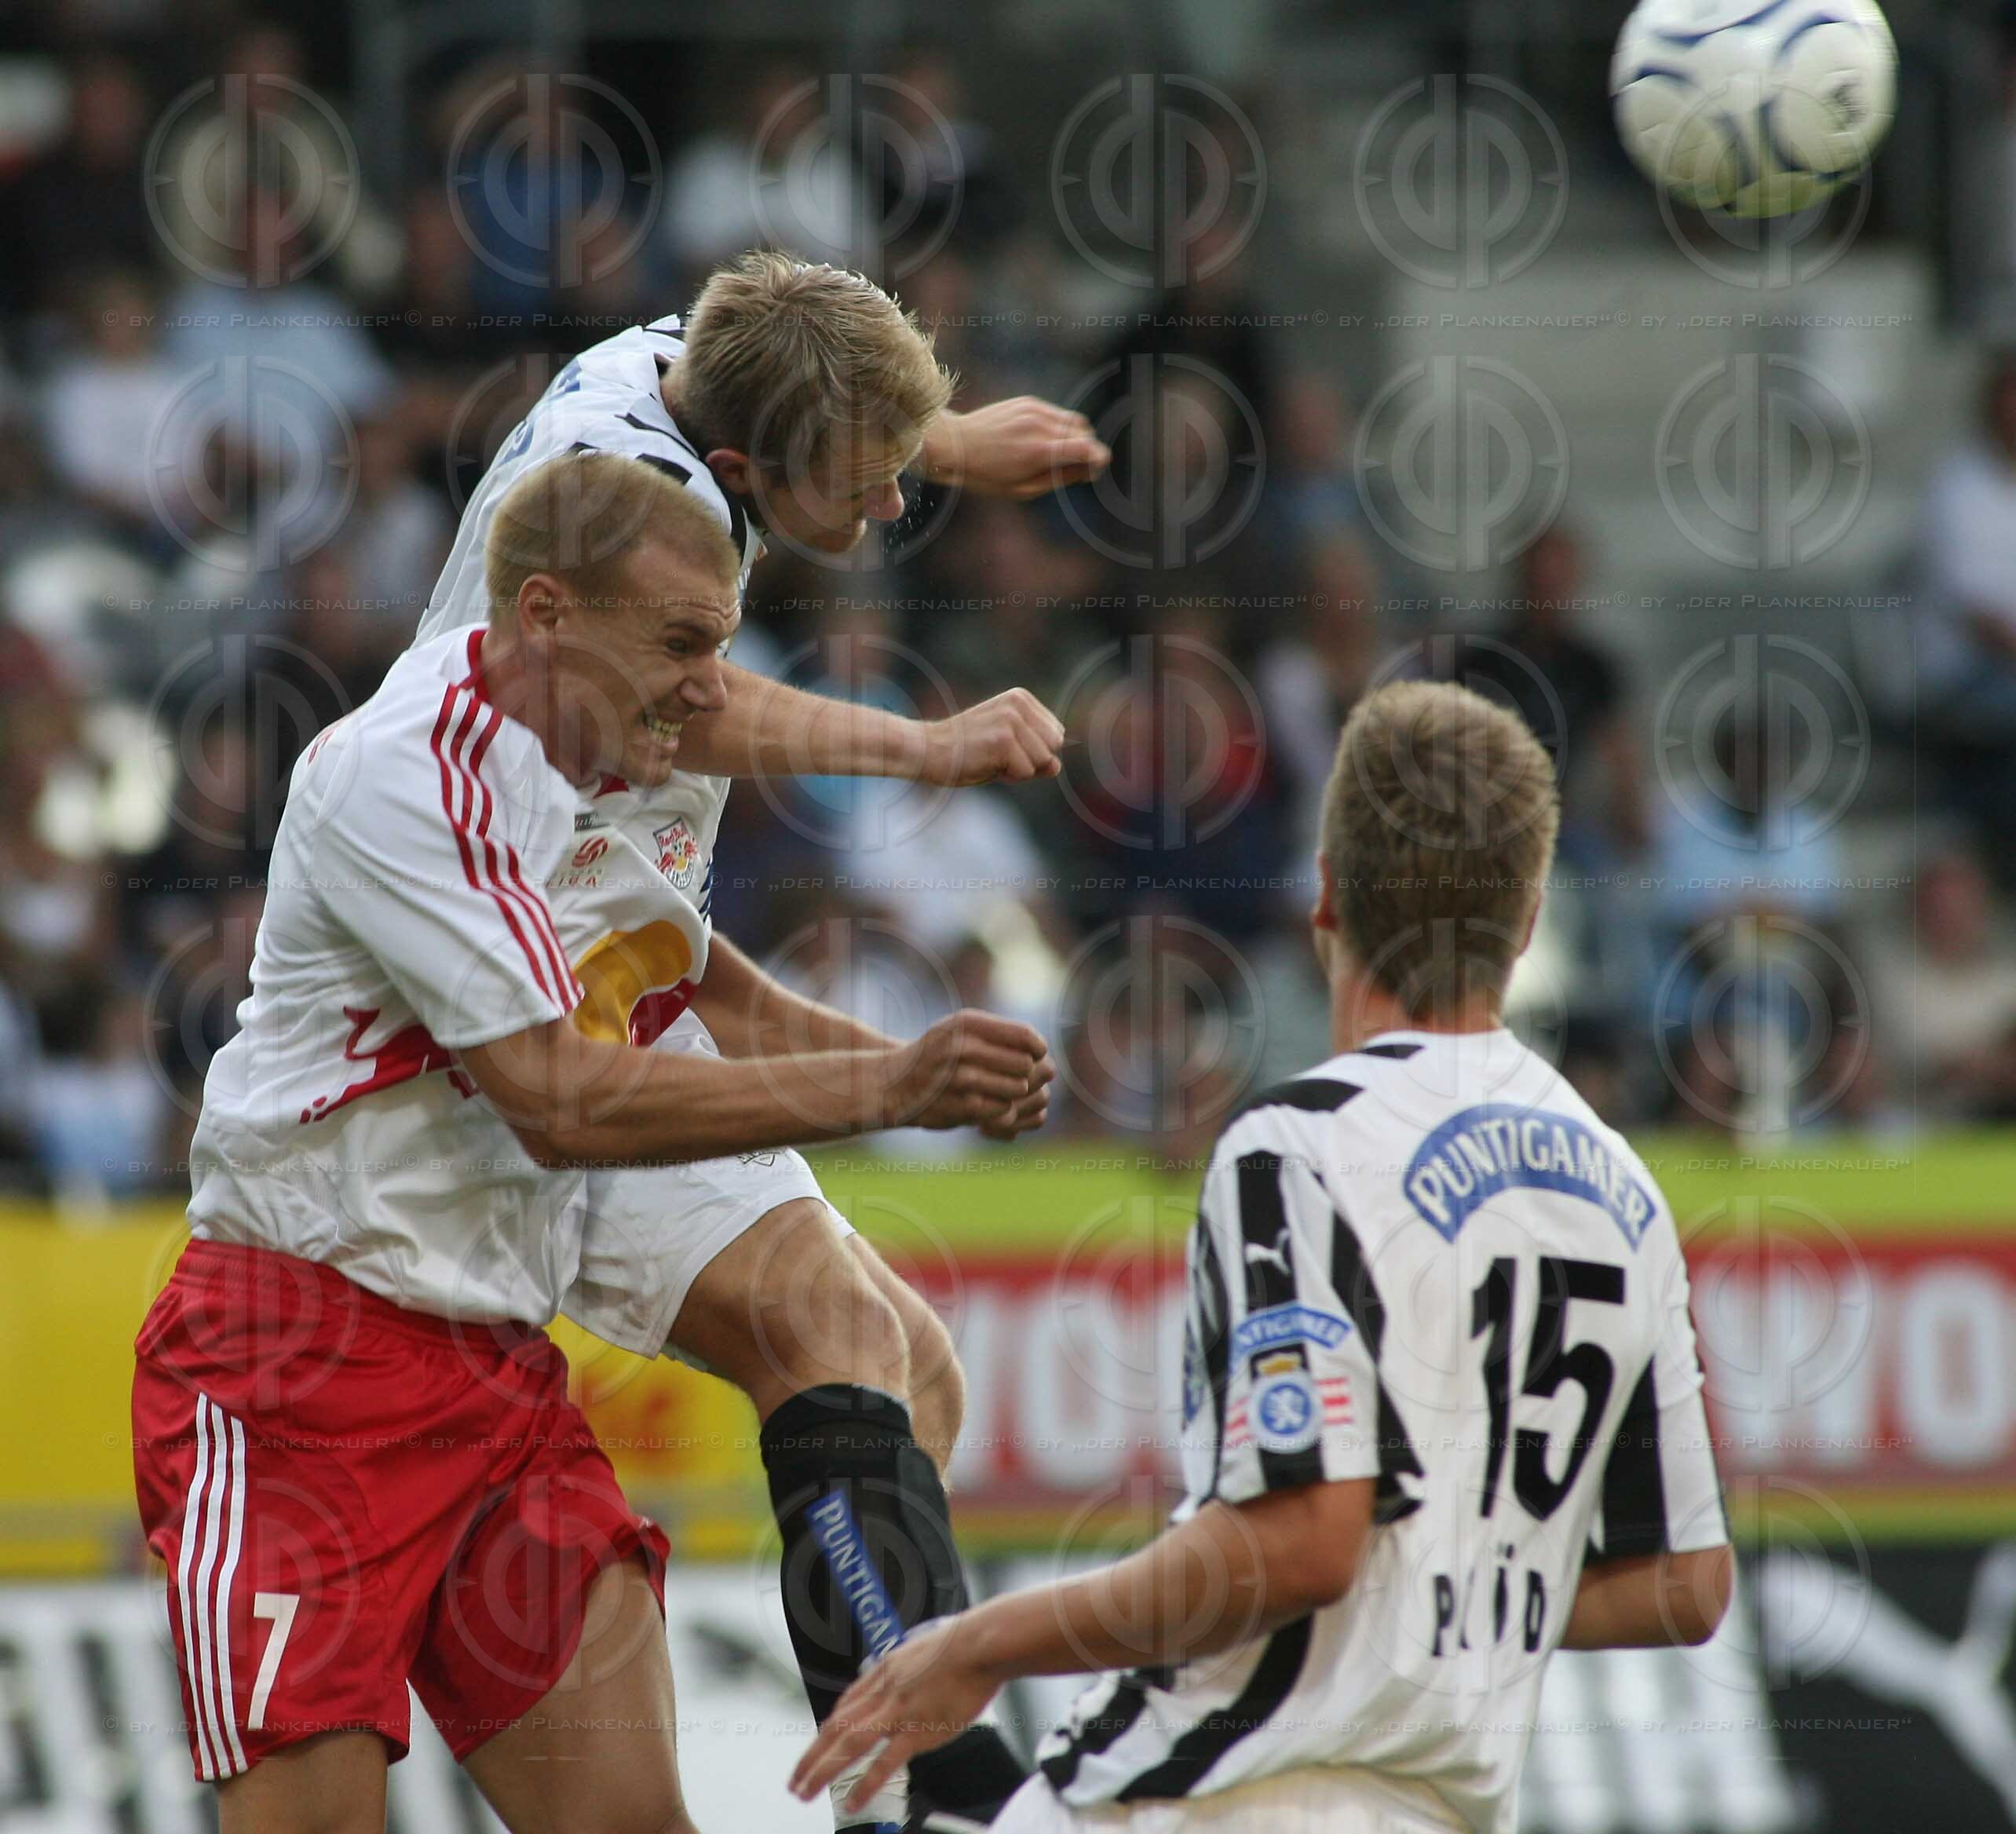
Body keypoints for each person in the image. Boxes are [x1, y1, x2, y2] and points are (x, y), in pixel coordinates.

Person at [130, 448, 1053, 1834]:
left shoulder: (598, 777)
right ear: (547, 615)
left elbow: (690, 984)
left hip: (493, 1375)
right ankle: (935, 1784)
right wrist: (890, 1092)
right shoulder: (404, 775)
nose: (707, 686)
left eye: (721, 645)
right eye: (681, 644)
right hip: (294, 1376)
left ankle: (923, 1790)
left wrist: (927, 1073)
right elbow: (558, 1104)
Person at [411, 250, 1106, 1831]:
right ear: (736, 479)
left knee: (908, 1375)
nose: (885, 519)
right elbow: (696, 710)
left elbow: (768, 348)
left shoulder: (673, 369)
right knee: (833, 1341)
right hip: (501, 1036)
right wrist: (923, 746)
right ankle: (936, 1785)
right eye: (862, 490)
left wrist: (944, 435)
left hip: (607, 946)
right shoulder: (631, 522)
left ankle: (896, 1771)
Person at [794, 680, 1736, 1832]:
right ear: (1530, 915)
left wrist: (987, 1638)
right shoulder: (1626, 1195)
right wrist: (1458, 1588)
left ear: (1325, 897)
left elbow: (1301, 1541)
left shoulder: (1300, 1145)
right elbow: (1689, 1584)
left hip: (1215, 1793)